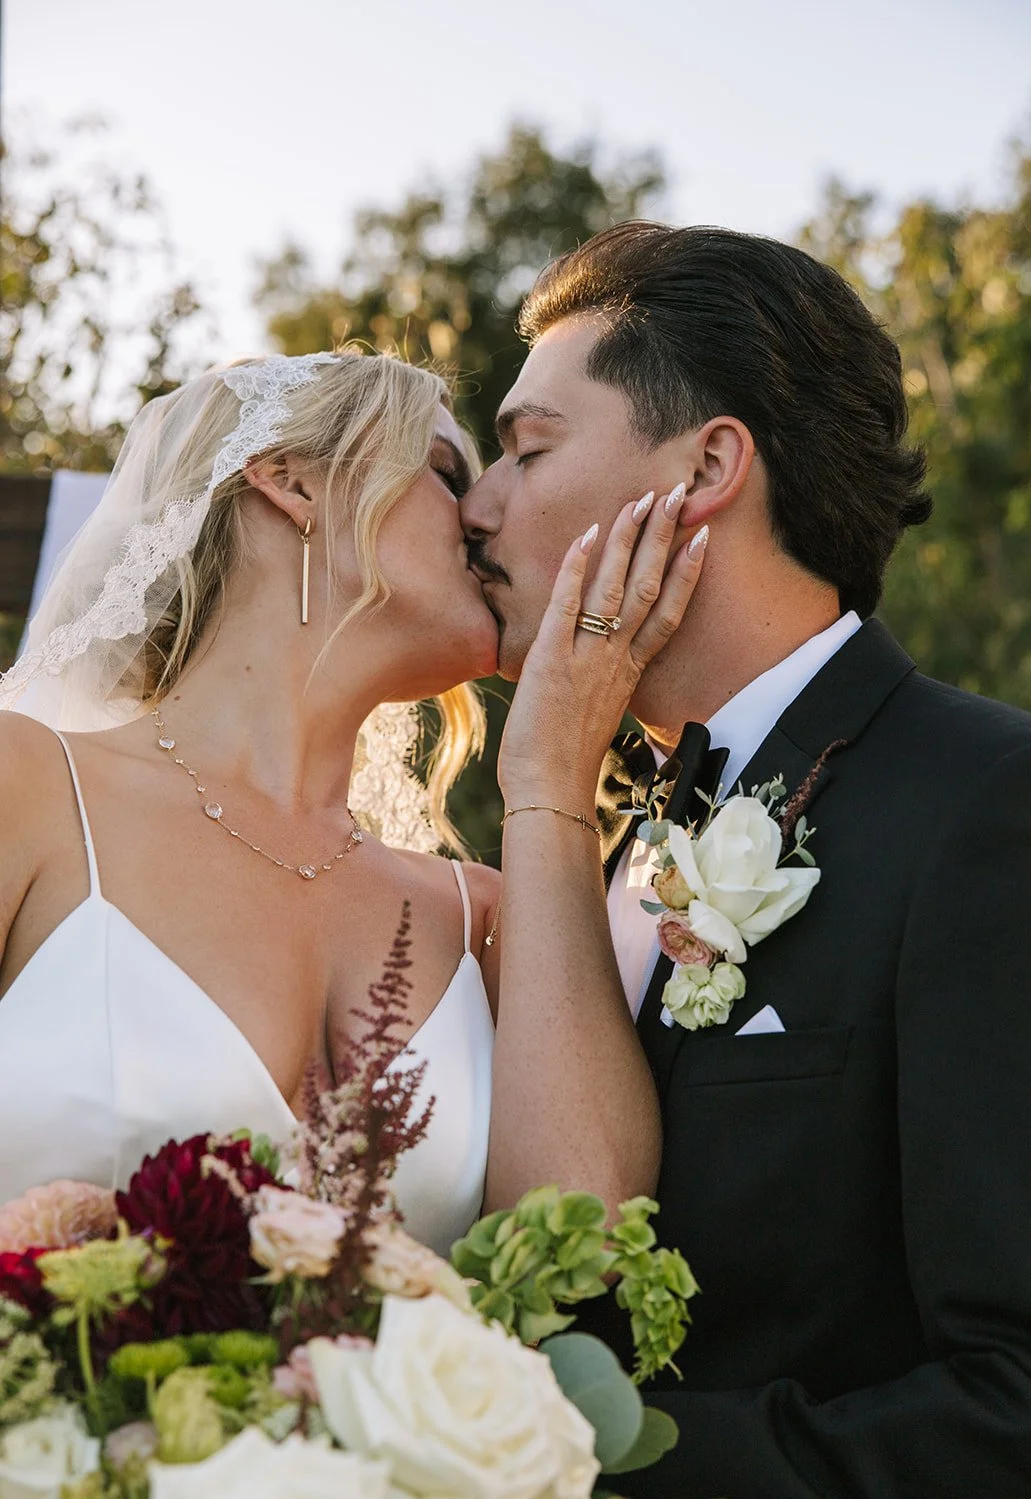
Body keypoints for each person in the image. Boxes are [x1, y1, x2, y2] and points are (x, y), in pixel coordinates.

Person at [462, 221, 1031, 1499]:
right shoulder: (605, 840)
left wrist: (541, 1479)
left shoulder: (998, 811)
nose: (477, 509)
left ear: (703, 469)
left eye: (527, 449)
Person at [0, 349, 703, 1257]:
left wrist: (550, 780)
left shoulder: (482, 915)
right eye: (445, 471)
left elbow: (586, 1240)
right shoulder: (26, 785)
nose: (483, 516)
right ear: (291, 481)